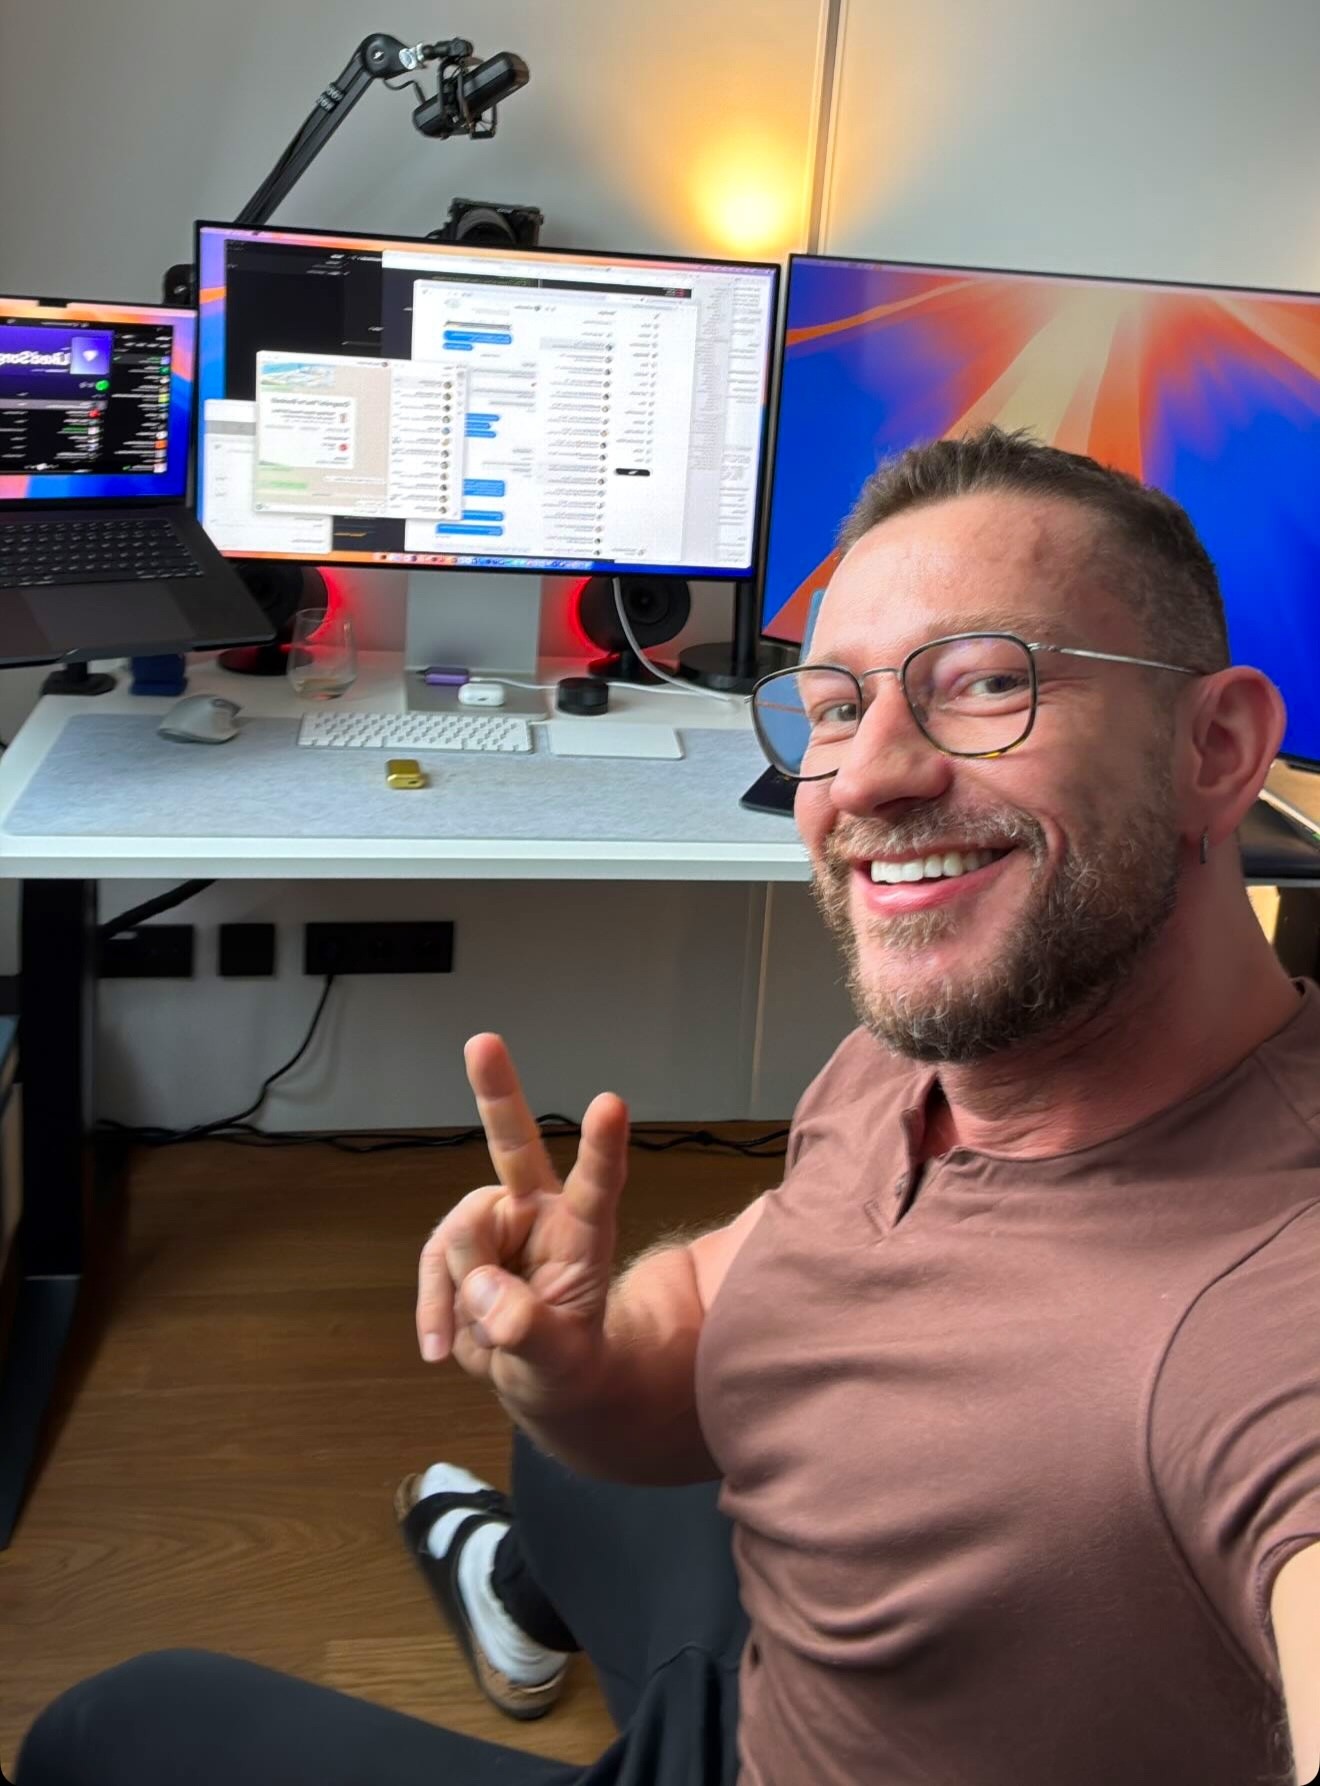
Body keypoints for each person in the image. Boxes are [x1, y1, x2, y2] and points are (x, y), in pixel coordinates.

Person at [15, 427, 1320, 1786]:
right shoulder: (953, 1045)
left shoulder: (1265, 1315)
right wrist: (575, 1349)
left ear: (1216, 744)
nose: (863, 780)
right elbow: (741, 1278)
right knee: (562, 1446)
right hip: (777, 1673)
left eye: (985, 683)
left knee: (112, 1729)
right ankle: (527, 1579)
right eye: (831, 707)